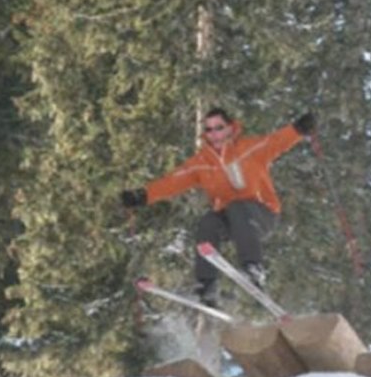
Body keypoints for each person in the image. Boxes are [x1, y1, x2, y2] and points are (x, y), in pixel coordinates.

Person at [121, 107, 316, 307]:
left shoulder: (250, 148)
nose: (214, 134)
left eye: (219, 128)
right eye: (209, 130)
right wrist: (143, 195)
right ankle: (206, 286)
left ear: (231, 128)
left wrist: (298, 129)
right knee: (209, 222)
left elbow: (277, 141)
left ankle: (253, 268)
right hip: (233, 221)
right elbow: (173, 181)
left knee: (237, 206)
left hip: (262, 214)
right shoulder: (202, 162)